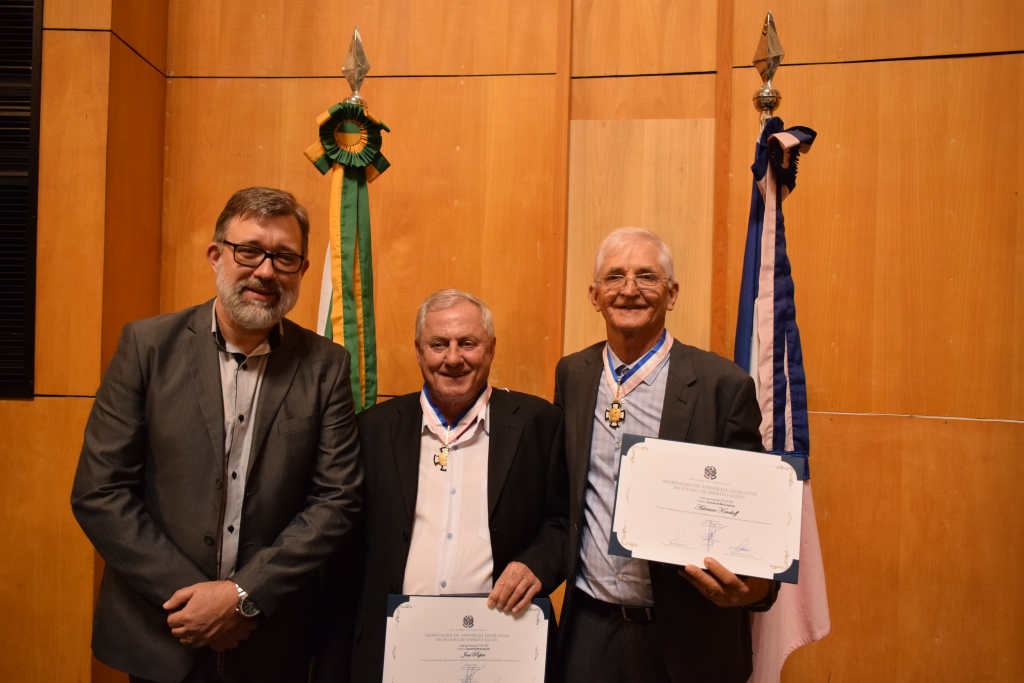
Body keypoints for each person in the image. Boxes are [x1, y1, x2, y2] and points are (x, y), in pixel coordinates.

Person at [71, 187, 363, 683]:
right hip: (164, 628)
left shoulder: (325, 365)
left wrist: (242, 599)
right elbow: (101, 492)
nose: (266, 271)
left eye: (285, 257)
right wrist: (198, 602)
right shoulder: (147, 347)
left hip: (271, 639)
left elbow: (336, 500)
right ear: (216, 254)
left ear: (302, 270)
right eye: (249, 250)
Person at [554, 228, 778, 683]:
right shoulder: (573, 374)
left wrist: (755, 588)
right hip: (590, 631)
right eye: (615, 277)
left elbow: (751, 516)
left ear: (672, 294)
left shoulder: (722, 385)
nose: (630, 289)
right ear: (594, 295)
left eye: (647, 277)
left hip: (688, 638)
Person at [313, 289, 568, 683]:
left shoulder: (539, 424)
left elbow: (564, 521)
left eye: (468, 343)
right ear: (418, 351)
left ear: (491, 349)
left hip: (501, 648)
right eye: (438, 344)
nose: (452, 358)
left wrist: (539, 563)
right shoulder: (371, 430)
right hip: (394, 650)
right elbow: (345, 560)